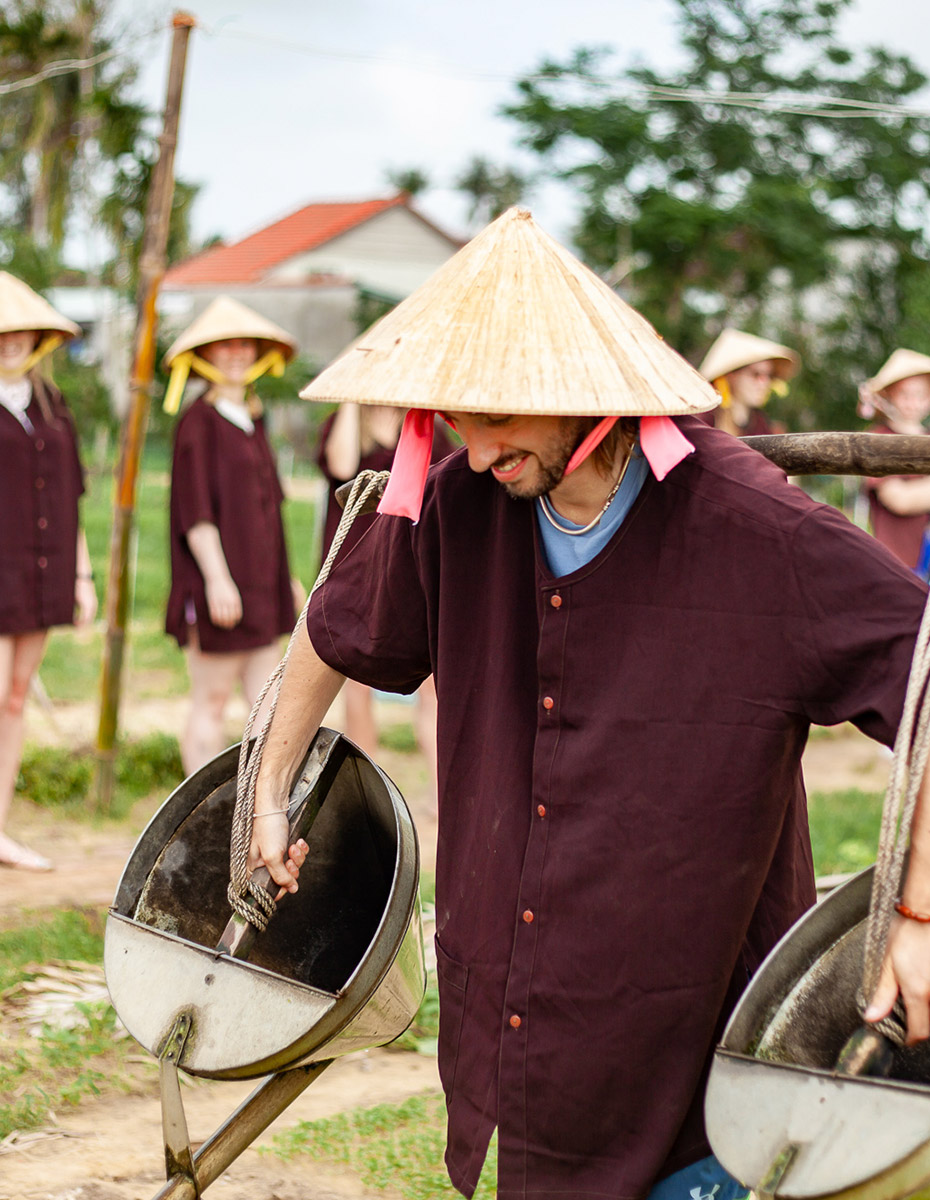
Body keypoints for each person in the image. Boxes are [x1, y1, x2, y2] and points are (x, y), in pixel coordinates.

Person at [247, 210, 930, 1200]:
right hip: (513, 1031)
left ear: (589, 397)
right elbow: (331, 623)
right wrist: (270, 786)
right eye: (457, 420)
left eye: (500, 419)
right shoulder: (454, 506)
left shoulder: (757, 531)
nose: (477, 450)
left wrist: (916, 913)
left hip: (697, 1056)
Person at [163, 297, 303, 775]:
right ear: (206, 355)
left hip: (262, 586)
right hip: (218, 586)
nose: (238, 352)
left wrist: (286, 580)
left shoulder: (253, 419)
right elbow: (195, 511)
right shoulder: (197, 423)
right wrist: (218, 580)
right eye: (226, 345)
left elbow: (269, 511)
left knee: (267, 707)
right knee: (213, 699)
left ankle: (250, 821)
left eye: (245, 344)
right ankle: (202, 822)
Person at [0, 272, 96, 872]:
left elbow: (71, 495)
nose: (10, 342)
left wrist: (82, 576)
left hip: (44, 572)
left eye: (20, 332)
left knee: (14, 701)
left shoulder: (53, 403)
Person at [316, 401, 453, 764]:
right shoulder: (343, 424)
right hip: (355, 570)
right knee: (357, 683)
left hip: (409, 570)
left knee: (432, 686)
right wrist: (350, 398)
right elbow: (341, 466)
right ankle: (367, 784)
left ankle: (439, 797)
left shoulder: (425, 427)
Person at [858, 348, 930, 570]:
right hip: (896, 561)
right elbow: (898, 499)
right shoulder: (879, 439)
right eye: (905, 394)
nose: (913, 402)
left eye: (921, 395)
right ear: (889, 396)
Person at [698, 327, 798, 436]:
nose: (764, 383)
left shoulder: (760, 423)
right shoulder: (704, 418)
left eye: (769, 376)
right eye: (756, 374)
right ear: (731, 375)